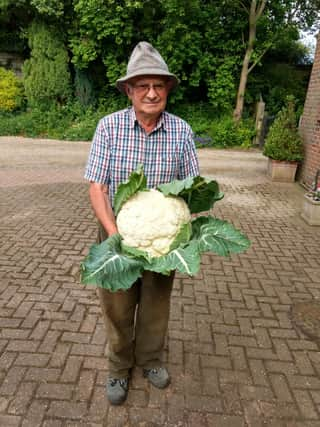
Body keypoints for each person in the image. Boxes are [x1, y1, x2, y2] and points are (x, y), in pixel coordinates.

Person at [84, 41, 199, 405]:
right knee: (117, 306)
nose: (152, 93)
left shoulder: (181, 131)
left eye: (159, 86)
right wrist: (117, 237)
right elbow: (97, 187)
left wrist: (181, 228)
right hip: (118, 231)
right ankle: (119, 367)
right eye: (143, 86)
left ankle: (149, 360)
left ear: (166, 90)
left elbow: (194, 188)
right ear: (130, 91)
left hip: (162, 239)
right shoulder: (109, 128)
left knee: (155, 305)